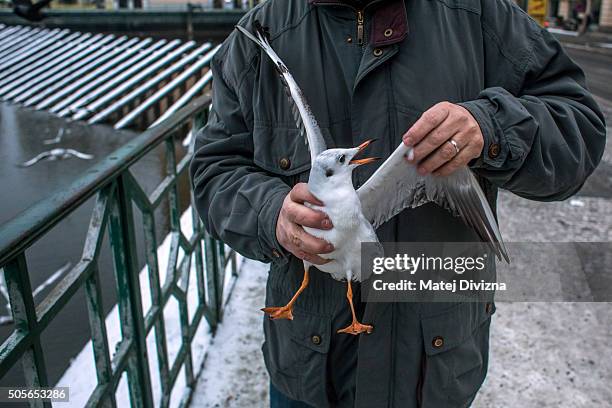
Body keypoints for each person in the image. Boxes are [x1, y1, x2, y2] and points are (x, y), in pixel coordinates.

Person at [190, 0, 606, 406]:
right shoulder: (259, 35)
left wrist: (491, 126)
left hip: (433, 370)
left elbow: (579, 133)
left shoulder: (480, 13)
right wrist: (271, 213)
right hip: (310, 370)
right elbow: (214, 172)